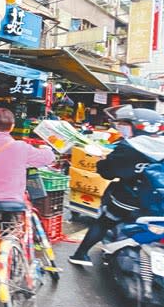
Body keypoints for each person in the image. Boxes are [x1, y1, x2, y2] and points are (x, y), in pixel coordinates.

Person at [69, 105, 164, 267]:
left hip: (127, 199)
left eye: (126, 124)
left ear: (137, 126)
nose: (122, 128)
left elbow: (108, 172)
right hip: (157, 203)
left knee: (103, 223)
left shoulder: (130, 147)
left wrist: (101, 162)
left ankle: (80, 254)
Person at [0, 108, 55, 283]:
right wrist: (46, 148)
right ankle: (13, 267)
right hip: (9, 201)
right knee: (9, 234)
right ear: (12, 126)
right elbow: (47, 158)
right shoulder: (21, 147)